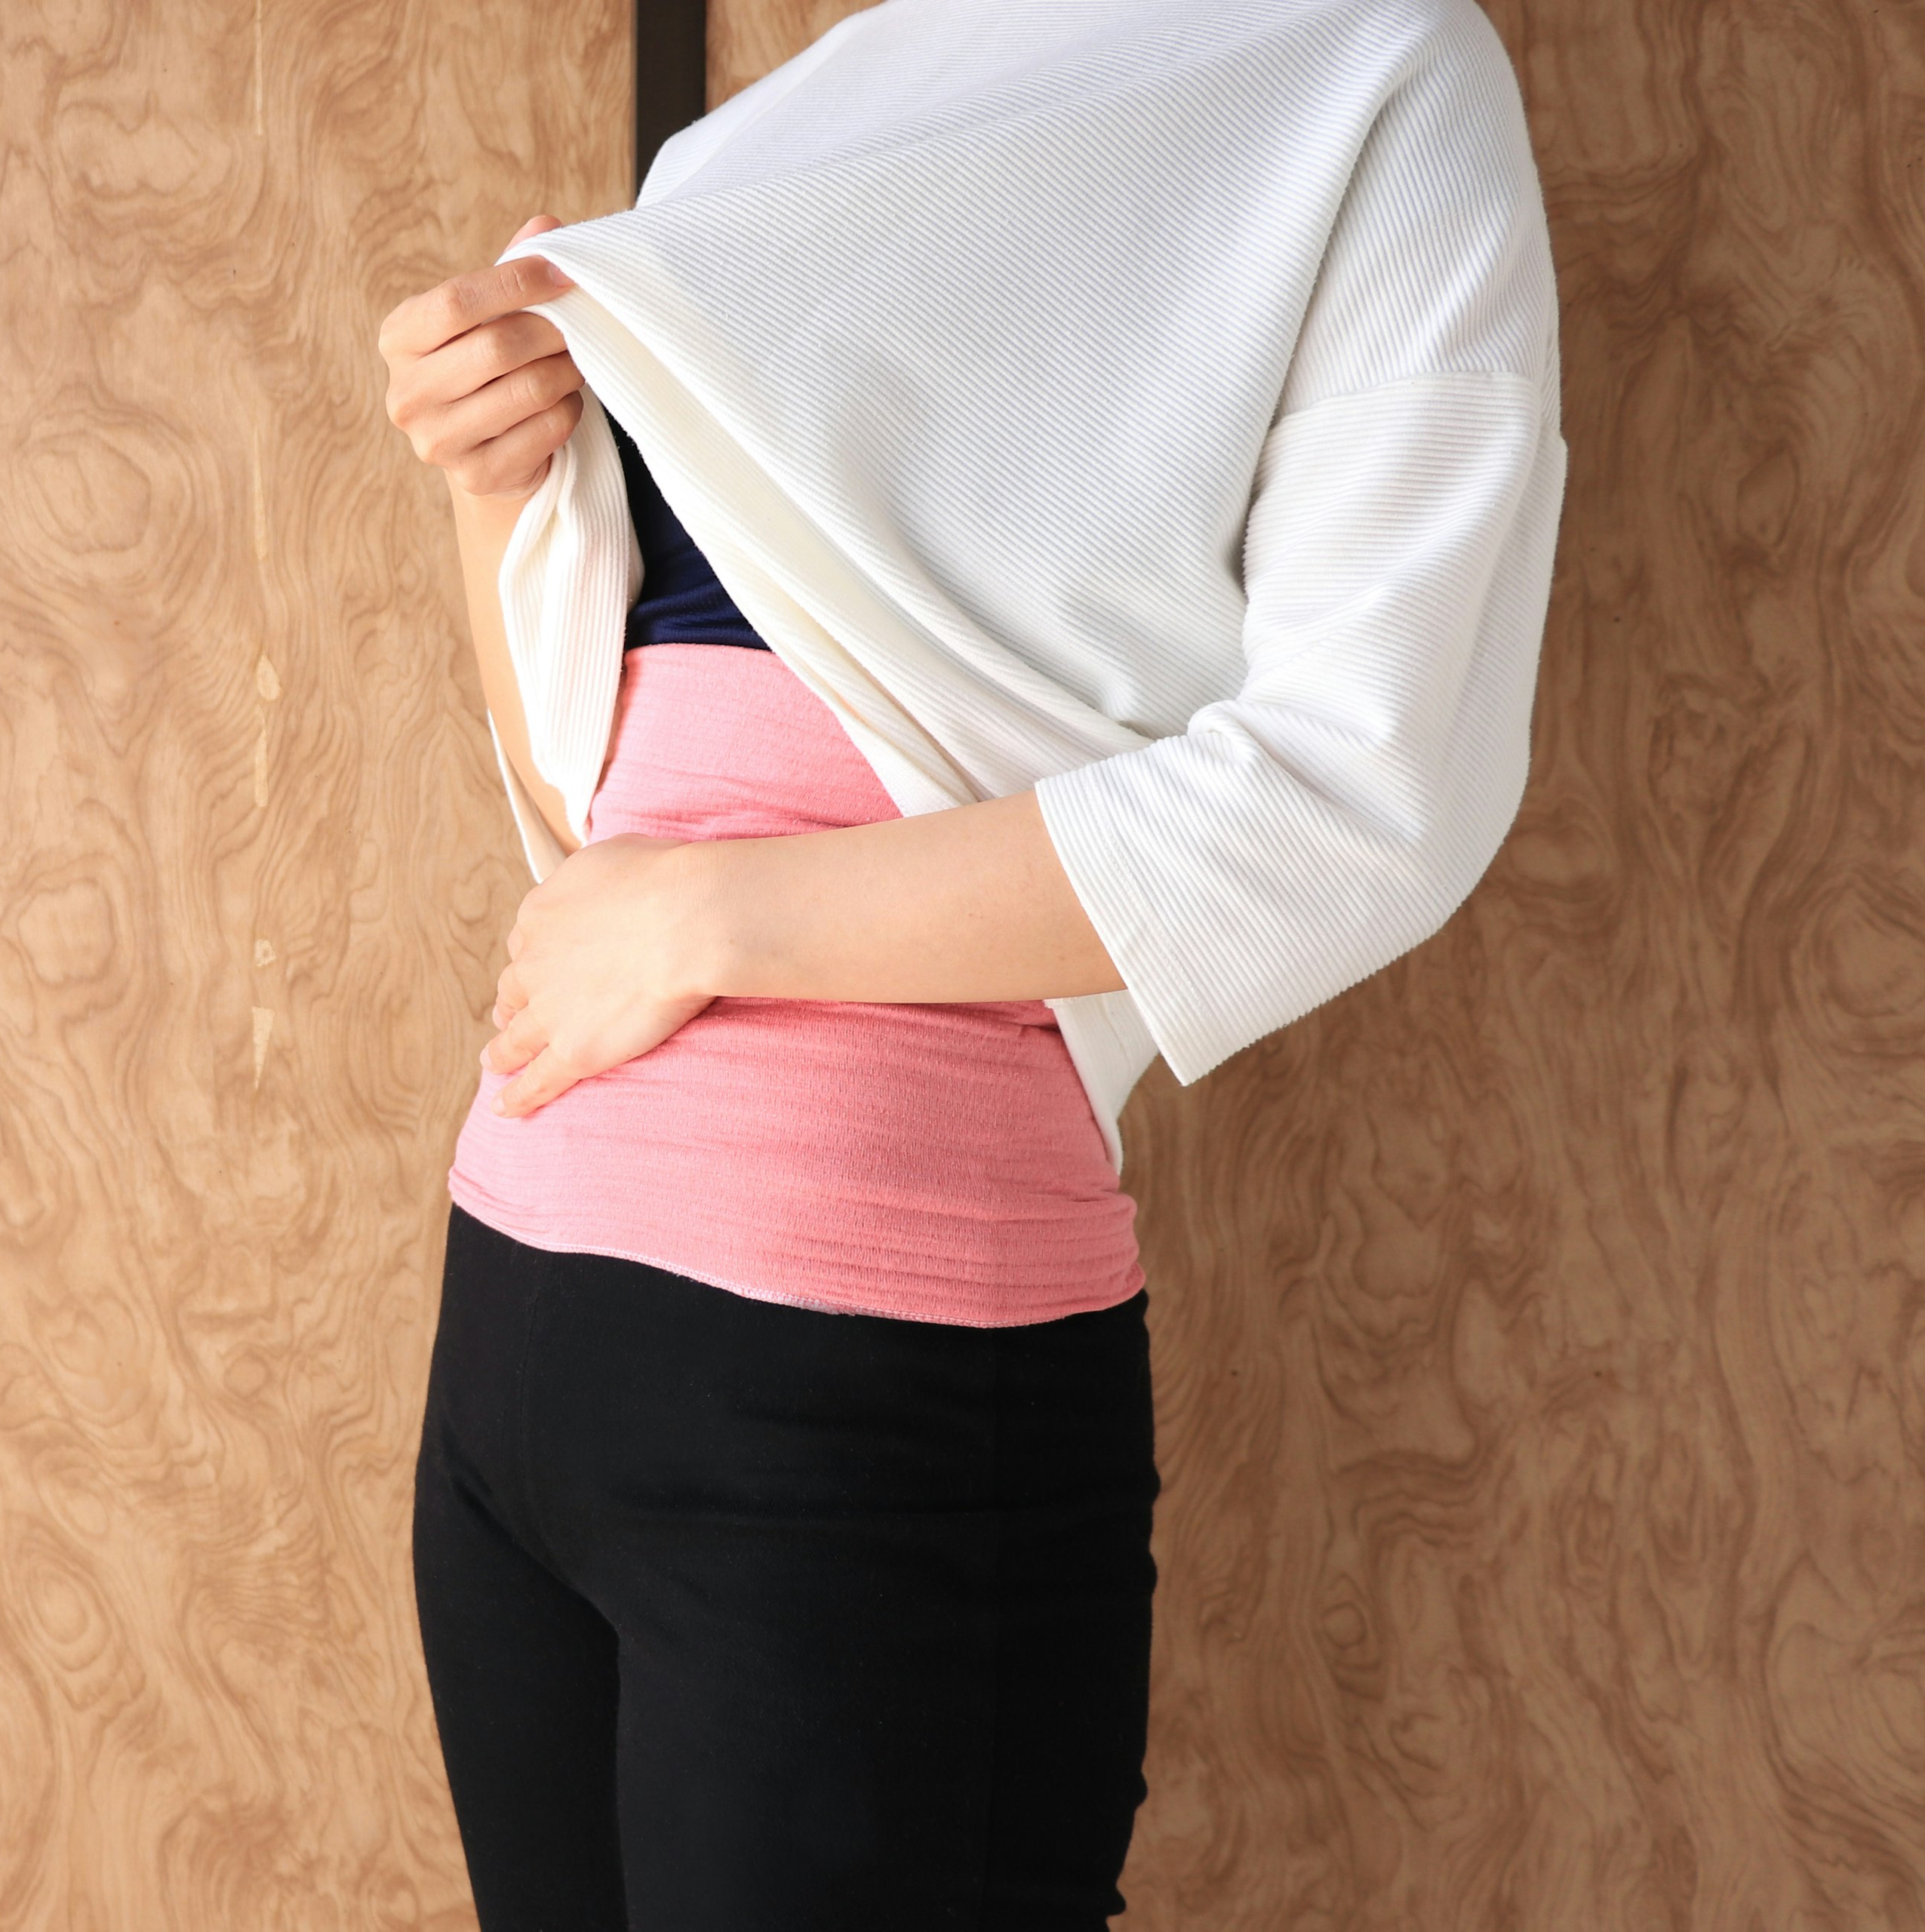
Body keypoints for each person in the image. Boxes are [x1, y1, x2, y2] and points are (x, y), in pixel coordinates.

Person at [374, 2, 1565, 1925]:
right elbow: (602, 802)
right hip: (523, 1336)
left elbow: (1364, 795)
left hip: (843, 1384)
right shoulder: (802, 119)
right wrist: (498, 482)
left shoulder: (1373, 69)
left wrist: (720, 920)